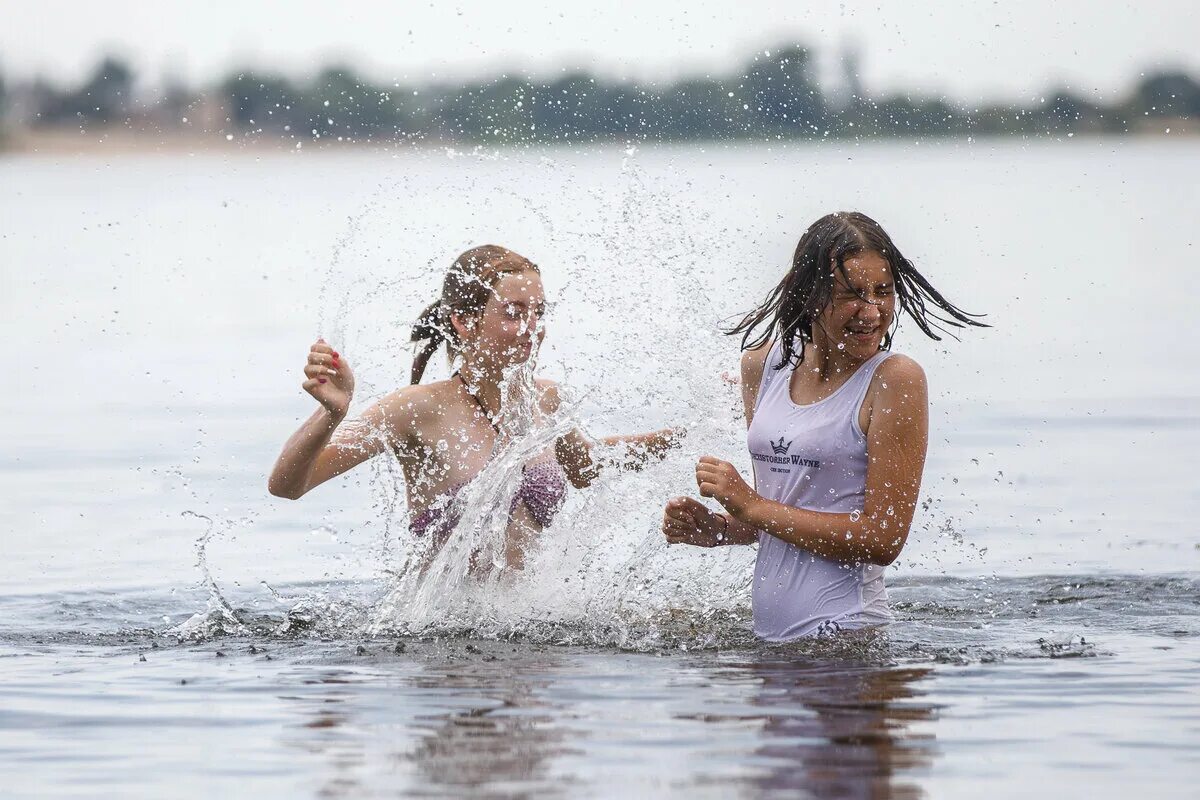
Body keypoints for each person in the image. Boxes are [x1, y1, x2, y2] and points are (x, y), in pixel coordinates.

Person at [662, 212, 985, 640]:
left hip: (847, 643)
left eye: (883, 292)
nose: (871, 311)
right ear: (809, 294)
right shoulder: (765, 366)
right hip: (779, 649)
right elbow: (785, 512)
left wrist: (750, 504)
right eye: (850, 294)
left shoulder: (894, 380)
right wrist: (723, 528)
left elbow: (883, 539)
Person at [270, 244, 678, 570]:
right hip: (445, 648)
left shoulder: (547, 399)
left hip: (535, 645)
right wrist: (332, 415)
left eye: (539, 312)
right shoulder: (414, 408)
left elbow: (587, 465)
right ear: (465, 323)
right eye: (514, 313)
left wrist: (690, 434)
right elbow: (287, 486)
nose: (532, 329)